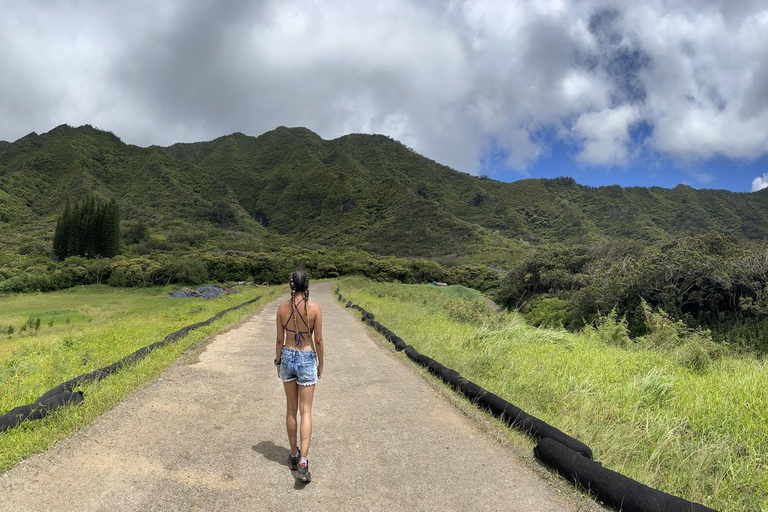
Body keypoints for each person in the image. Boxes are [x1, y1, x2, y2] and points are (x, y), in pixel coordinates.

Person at [275, 270, 324, 483]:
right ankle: (304, 461)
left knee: (291, 409)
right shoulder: (315, 309)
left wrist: (278, 362)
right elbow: (319, 340)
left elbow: (279, 340)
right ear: (308, 285)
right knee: (306, 411)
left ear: (291, 285)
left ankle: (293, 456)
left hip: (287, 355)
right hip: (306, 357)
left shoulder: (282, 309)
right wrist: (320, 363)